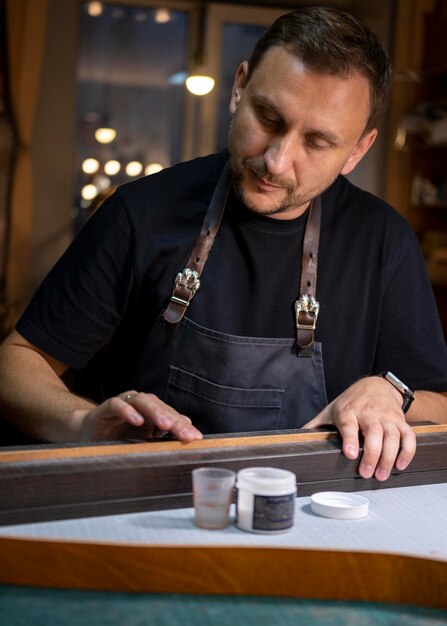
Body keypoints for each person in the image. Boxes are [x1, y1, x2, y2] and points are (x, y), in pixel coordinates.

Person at [0, 7, 446, 482]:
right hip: (148, 498)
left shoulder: (384, 240)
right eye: (269, 117)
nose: (276, 161)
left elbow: (440, 404)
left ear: (357, 150)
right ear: (239, 89)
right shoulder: (141, 213)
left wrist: (392, 392)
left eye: (316, 142)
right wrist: (81, 423)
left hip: (313, 513)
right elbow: (15, 364)